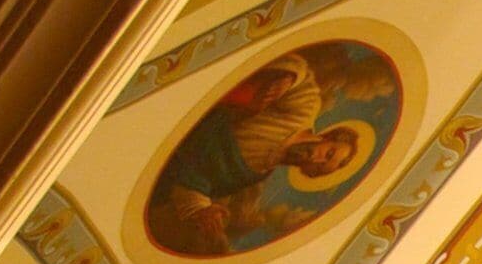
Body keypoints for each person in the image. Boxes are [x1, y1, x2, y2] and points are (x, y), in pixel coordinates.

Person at [152, 52, 371, 251]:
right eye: (329, 153)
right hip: (187, 108)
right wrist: (288, 79)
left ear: (309, 172)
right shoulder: (303, 113)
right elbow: (302, 71)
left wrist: (200, 210)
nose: (318, 158)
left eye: (321, 165)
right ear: (327, 137)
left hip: (164, 151)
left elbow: (194, 180)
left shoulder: (255, 174)